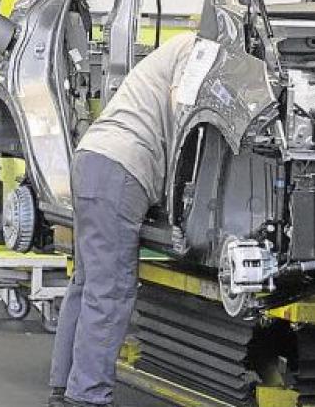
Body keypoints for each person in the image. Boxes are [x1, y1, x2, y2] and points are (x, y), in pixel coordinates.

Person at [49, 30, 198, 407]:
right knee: (110, 289)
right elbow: (184, 113)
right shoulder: (197, 49)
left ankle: (65, 383)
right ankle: (87, 395)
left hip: (92, 159)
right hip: (120, 167)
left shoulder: (177, 49)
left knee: (87, 281)